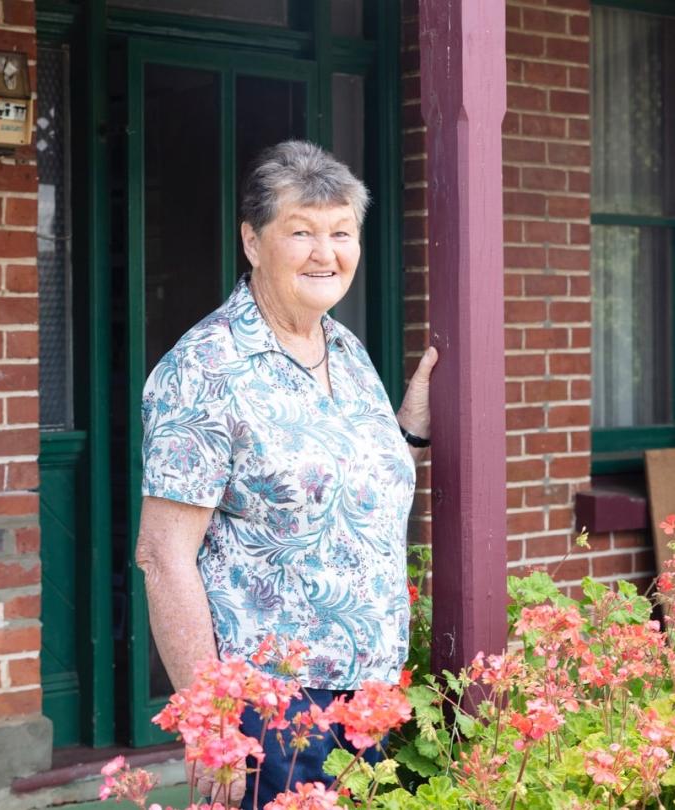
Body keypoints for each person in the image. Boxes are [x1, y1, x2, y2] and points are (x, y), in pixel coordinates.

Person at [135, 140, 437, 808]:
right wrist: (210, 725)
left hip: (372, 697)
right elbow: (162, 556)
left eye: (340, 233)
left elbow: (352, 492)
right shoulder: (206, 370)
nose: (324, 253)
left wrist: (409, 424)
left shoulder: (345, 348)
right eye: (300, 232)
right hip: (275, 710)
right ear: (252, 241)